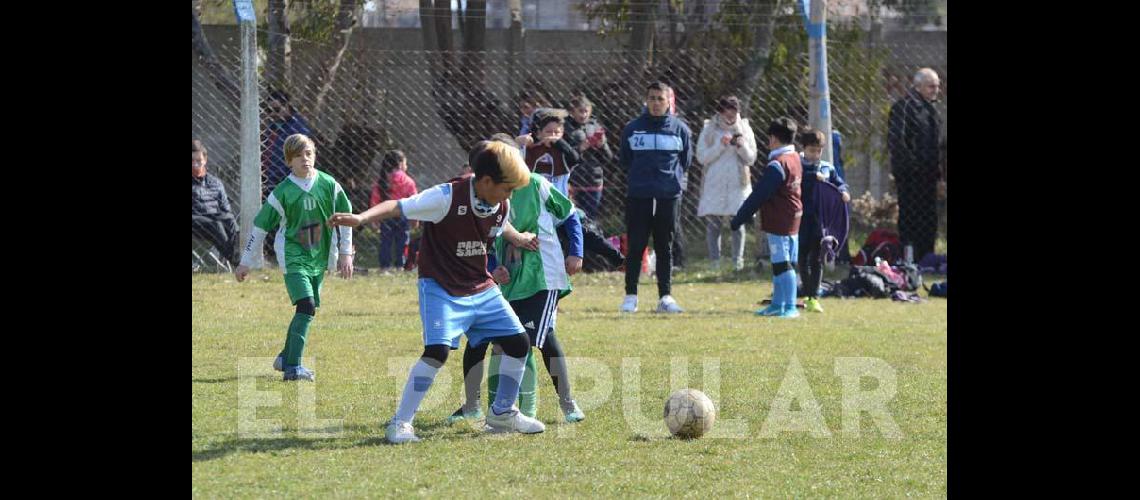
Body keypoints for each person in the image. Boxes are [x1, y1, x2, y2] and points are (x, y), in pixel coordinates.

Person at [329, 141, 546, 444]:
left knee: (518, 342)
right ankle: (400, 423)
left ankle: (502, 413)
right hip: (441, 287)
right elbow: (399, 206)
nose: (510, 196)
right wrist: (362, 218)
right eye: (507, 189)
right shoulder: (446, 196)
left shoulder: (500, 204)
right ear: (485, 182)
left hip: (480, 285)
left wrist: (518, 239)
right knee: (437, 352)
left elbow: (499, 225)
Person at [449, 139, 586, 424]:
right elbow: (482, 237)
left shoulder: (536, 184)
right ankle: (473, 405)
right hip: (504, 278)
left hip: (541, 276)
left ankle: (564, 403)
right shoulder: (482, 194)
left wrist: (576, 252)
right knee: (479, 338)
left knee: (539, 338)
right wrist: (492, 267)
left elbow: (570, 214)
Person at [234, 134, 355, 381]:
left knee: (308, 311)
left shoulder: (329, 185)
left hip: (319, 257)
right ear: (289, 161)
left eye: (308, 154)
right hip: (293, 256)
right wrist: (245, 261)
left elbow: (346, 216)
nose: (305, 159)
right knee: (306, 305)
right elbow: (260, 227)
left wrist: (345, 253)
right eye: (299, 156)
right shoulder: (283, 192)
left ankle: (285, 357)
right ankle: (293, 368)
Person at [618, 82, 692, 313]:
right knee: (636, 245)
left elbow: (685, 161)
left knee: (664, 246)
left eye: (661, 98)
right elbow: (625, 159)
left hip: (668, 196)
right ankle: (631, 296)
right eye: (652, 98)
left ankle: (665, 297)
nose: (656, 103)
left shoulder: (681, 129)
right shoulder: (632, 128)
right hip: (639, 195)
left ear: (669, 101)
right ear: (646, 100)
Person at [731, 117, 803, 318]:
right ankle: (777, 304)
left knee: (782, 264)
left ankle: (789, 307)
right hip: (793, 217)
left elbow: (759, 194)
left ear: (773, 139)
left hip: (779, 219)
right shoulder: (795, 158)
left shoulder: (777, 165)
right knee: (783, 262)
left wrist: (739, 218)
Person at [695, 95, 758, 271]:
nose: (730, 117)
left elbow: (751, 158)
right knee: (713, 223)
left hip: (738, 183)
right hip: (714, 182)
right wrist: (720, 146)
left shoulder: (744, 128)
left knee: (738, 222)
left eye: (734, 113)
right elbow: (701, 157)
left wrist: (741, 146)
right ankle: (715, 263)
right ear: (720, 112)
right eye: (727, 113)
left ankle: (737, 263)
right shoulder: (709, 128)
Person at [888, 68, 943, 262]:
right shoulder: (904, 108)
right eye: (931, 86)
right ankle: (910, 258)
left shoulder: (930, 110)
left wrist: (937, 174)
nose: (936, 90)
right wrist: (913, 168)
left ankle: (927, 258)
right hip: (911, 177)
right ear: (917, 86)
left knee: (928, 219)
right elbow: (897, 142)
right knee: (911, 217)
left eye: (937, 86)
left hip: (928, 176)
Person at [795, 127, 850, 313]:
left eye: (819, 150)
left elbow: (839, 182)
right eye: (812, 150)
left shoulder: (827, 167)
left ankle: (813, 296)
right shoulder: (798, 166)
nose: (815, 154)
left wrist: (843, 191)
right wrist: (812, 176)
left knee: (817, 258)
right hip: (802, 220)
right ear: (803, 149)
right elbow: (797, 180)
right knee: (802, 257)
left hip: (821, 222)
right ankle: (807, 292)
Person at [192, 139, 240, 268]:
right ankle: (234, 261)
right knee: (216, 224)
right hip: (195, 220)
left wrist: (227, 217)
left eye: (198, 161)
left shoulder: (216, 182)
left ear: (205, 160)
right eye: (192, 161)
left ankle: (236, 254)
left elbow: (225, 208)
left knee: (230, 219)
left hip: (215, 216)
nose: (195, 164)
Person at [564, 95, 613, 220]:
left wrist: (602, 146)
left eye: (586, 111)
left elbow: (608, 158)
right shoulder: (565, 128)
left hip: (593, 180)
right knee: (572, 218)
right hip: (573, 181)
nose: (584, 114)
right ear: (572, 111)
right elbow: (563, 156)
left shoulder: (596, 127)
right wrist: (581, 147)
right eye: (580, 111)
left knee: (590, 219)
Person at [370, 150, 419, 270]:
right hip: (403, 214)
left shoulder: (381, 180)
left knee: (385, 243)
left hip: (385, 215)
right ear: (401, 164)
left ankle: (385, 267)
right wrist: (415, 218)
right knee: (402, 243)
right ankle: (400, 265)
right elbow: (415, 201)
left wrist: (374, 219)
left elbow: (375, 199)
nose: (406, 166)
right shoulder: (408, 181)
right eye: (406, 163)